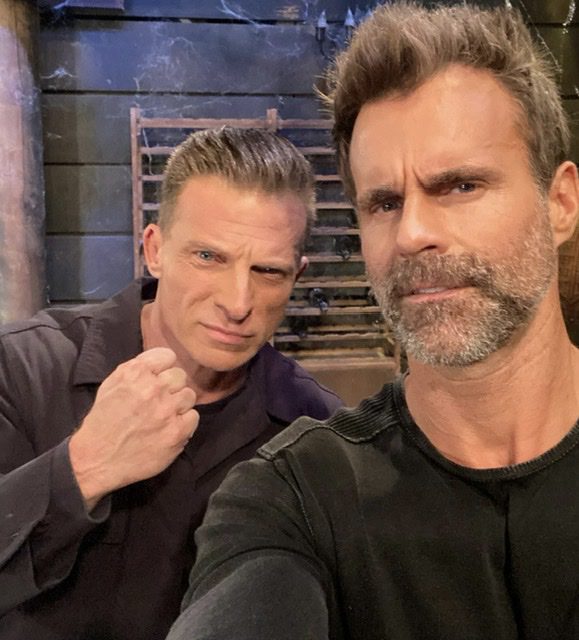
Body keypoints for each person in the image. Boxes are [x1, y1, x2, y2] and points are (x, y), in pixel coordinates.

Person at [167, 3, 579, 639]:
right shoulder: (292, 500)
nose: (411, 234)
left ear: (560, 203)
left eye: (460, 186)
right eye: (384, 203)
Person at [0, 127, 342, 639]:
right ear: (155, 249)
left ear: (297, 275)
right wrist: (84, 467)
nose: (238, 302)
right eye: (208, 257)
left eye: (268, 271)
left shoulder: (314, 430)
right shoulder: (23, 369)